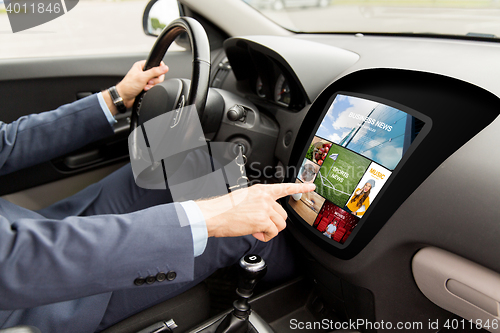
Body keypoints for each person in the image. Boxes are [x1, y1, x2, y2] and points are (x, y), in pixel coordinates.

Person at [0, 61, 315, 332]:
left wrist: (116, 97)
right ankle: (312, 292)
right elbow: (15, 261)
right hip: (33, 297)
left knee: (194, 163)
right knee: (244, 228)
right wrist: (212, 216)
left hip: (31, 230)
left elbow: (5, 143)